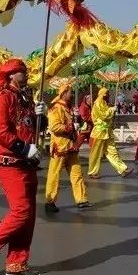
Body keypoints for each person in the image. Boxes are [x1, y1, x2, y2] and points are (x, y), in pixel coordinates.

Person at [0, 59, 45, 275]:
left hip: (27, 163)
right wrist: (24, 148)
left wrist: (40, 117)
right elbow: (0, 132)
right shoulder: (2, 98)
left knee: (30, 216)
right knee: (21, 212)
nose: (26, 74)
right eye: (21, 71)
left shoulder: (24, 98)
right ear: (10, 75)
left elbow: (30, 126)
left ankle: (16, 264)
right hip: (11, 163)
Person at [44, 82, 89, 214]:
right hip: (60, 146)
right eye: (70, 91)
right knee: (54, 175)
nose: (72, 93)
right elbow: (54, 127)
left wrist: (77, 119)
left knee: (77, 173)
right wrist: (70, 127)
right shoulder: (56, 108)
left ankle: (81, 199)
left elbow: (75, 124)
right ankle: (50, 201)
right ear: (64, 93)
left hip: (71, 146)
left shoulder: (68, 108)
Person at [87, 87, 133, 179]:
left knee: (112, 151)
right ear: (103, 94)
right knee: (95, 153)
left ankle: (122, 169)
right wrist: (112, 109)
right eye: (107, 94)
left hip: (107, 132)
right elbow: (103, 116)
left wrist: (112, 110)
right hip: (99, 133)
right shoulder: (97, 103)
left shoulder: (104, 103)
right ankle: (92, 171)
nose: (108, 95)